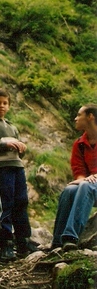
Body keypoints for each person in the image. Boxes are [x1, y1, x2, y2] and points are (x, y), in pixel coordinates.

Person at [0, 88, 37, 261]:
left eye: (5, 103)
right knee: (5, 204)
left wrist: (21, 148)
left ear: (9, 106)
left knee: (21, 202)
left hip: (17, 167)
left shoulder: (12, 126)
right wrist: (5, 145)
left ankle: (23, 242)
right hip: (1, 168)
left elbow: (18, 153)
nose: (1, 106)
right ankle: (6, 244)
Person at [52, 103, 97, 251]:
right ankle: (57, 242)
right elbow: (78, 170)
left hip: (91, 185)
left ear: (90, 117)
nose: (75, 118)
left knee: (85, 185)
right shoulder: (79, 144)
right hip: (90, 185)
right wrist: (82, 178)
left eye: (79, 115)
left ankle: (70, 237)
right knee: (69, 190)